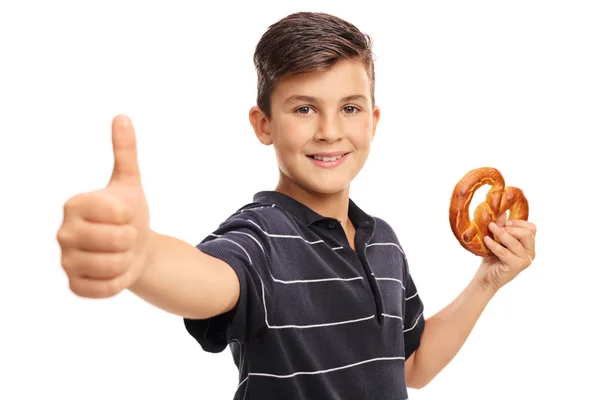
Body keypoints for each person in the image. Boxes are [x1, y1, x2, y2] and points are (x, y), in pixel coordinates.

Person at [56, 11, 537, 400]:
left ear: (372, 121)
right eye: (304, 108)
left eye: (349, 108)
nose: (329, 130)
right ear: (264, 124)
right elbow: (209, 279)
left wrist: (487, 279)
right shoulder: (259, 239)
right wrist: (142, 258)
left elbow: (412, 366)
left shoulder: (383, 242)